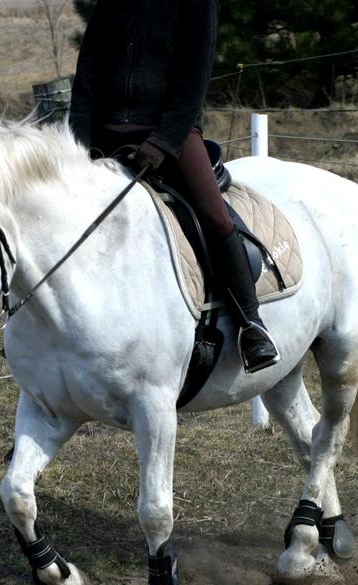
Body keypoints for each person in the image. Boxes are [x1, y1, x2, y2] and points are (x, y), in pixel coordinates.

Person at [68, 0, 280, 373]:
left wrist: (163, 142)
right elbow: (85, 80)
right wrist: (78, 149)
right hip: (102, 138)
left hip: (173, 135)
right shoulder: (109, 5)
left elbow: (192, 81)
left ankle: (251, 325)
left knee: (215, 219)